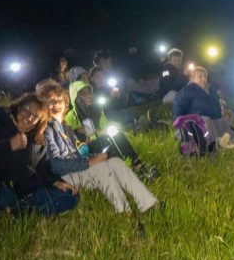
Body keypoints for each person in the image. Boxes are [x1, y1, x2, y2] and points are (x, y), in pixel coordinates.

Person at [37, 83, 158, 214]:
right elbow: (55, 165)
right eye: (50, 101)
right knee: (101, 168)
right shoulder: (47, 129)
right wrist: (89, 162)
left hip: (77, 169)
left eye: (59, 100)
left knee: (116, 162)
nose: (56, 104)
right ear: (43, 106)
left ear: (65, 101)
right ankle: (125, 213)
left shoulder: (65, 128)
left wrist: (92, 156)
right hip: (65, 177)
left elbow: (78, 153)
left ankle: (149, 204)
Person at [0, 93, 78, 215]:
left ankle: (21, 211)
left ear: (37, 123)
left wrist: (55, 181)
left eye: (35, 116)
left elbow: (43, 167)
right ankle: (21, 211)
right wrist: (9, 145)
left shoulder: (37, 140)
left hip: (28, 190)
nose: (28, 116)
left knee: (69, 197)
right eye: (27, 109)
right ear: (18, 107)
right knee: (4, 199)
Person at [62, 80, 158, 179]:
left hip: (102, 140)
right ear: (76, 98)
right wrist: (95, 134)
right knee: (108, 139)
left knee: (118, 136)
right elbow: (76, 140)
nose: (88, 96)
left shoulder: (96, 110)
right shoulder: (70, 117)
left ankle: (138, 166)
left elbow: (105, 125)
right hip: (88, 150)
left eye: (89, 92)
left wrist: (110, 127)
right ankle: (133, 173)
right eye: (83, 94)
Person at [173, 66, 234, 149]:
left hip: (212, 120)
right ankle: (216, 144)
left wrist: (222, 115)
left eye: (205, 76)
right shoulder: (186, 92)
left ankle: (231, 142)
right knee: (205, 120)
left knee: (223, 122)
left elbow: (217, 108)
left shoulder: (211, 90)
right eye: (200, 77)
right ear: (192, 78)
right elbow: (178, 111)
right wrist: (180, 126)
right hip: (195, 124)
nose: (203, 79)